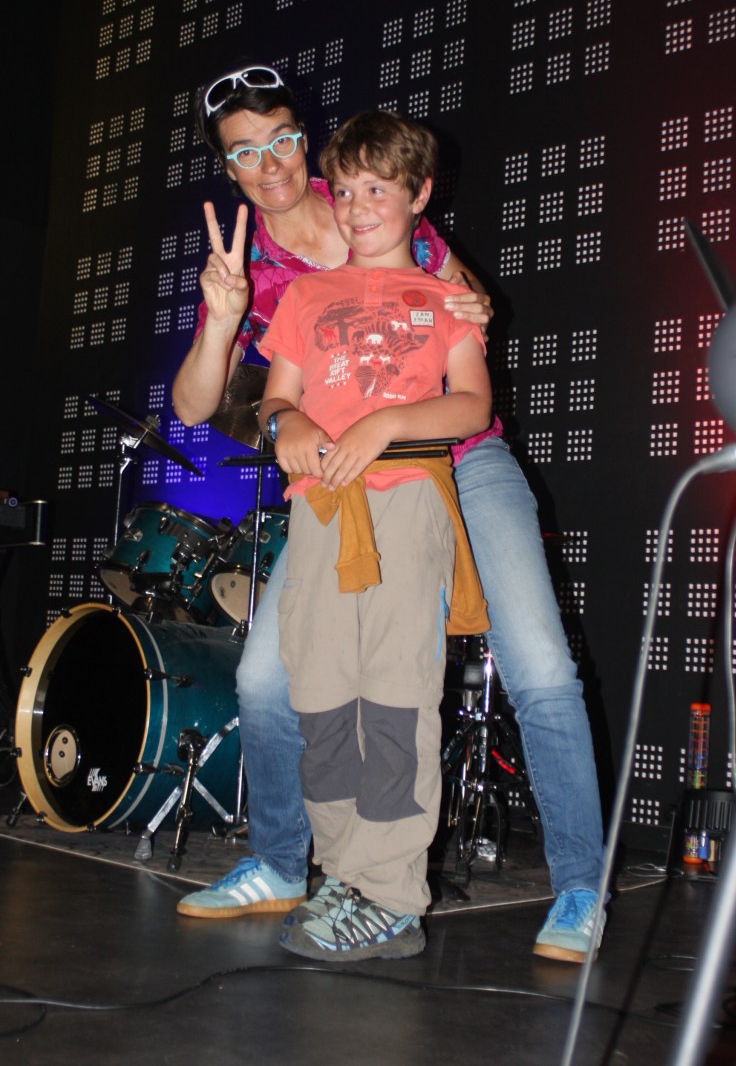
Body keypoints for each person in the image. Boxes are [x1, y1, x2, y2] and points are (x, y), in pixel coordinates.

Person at [173, 64, 607, 963]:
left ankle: (578, 885)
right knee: (269, 679)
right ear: (228, 167)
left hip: (454, 460)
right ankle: (287, 863)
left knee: (537, 662)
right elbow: (202, 406)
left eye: (280, 139)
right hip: (341, 485)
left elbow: (463, 325)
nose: (269, 163)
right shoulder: (254, 266)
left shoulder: (368, 192)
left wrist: (468, 302)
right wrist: (222, 323)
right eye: (244, 152)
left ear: (306, 141)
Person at [257, 109, 492, 959]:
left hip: (406, 500)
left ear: (418, 195)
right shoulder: (303, 296)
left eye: (377, 190)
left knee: (394, 695)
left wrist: (386, 421)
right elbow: (275, 397)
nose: (357, 209)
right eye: (346, 191)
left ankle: (390, 893)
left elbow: (472, 405)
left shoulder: (445, 299)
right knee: (320, 695)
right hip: (320, 507)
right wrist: (284, 421)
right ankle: (344, 873)